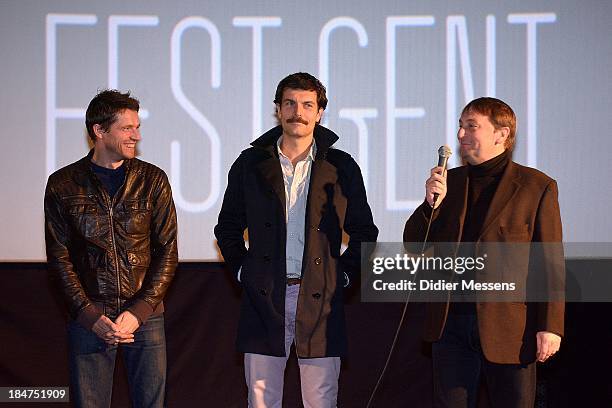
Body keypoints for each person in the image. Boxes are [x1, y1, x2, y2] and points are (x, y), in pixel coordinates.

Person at [215, 72, 378, 407]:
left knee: (320, 401)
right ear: (278, 109)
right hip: (265, 297)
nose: (297, 111)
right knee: (261, 401)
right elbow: (227, 226)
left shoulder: (340, 165)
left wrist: (342, 275)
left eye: (307, 104)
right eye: (289, 103)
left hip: (320, 300)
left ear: (319, 113)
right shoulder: (250, 164)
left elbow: (365, 231)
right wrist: (244, 271)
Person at [403, 97, 564, 408]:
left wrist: (550, 326)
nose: (461, 135)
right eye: (460, 127)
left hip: (509, 329)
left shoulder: (535, 186)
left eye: (471, 126)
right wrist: (429, 205)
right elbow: (414, 243)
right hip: (450, 326)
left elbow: (550, 262)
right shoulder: (451, 182)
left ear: (501, 134)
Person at [44, 89, 178, 407]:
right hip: (90, 317)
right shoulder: (63, 184)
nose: (136, 135)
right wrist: (90, 316)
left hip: (145, 318)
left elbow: (168, 252)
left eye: (137, 127)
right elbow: (59, 259)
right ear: (99, 130)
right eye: (127, 128)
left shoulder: (153, 180)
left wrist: (139, 311)